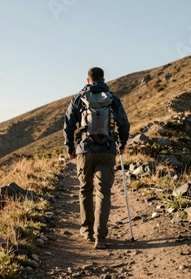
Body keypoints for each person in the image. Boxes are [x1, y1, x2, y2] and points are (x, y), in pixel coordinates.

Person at [63, 67, 130, 249]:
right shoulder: (112, 99)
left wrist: (70, 148)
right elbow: (124, 125)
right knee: (104, 193)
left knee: (85, 189)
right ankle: (100, 236)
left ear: (88, 80)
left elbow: (68, 125)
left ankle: (87, 231)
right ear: (103, 79)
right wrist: (122, 145)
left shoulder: (78, 99)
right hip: (107, 150)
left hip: (85, 150)